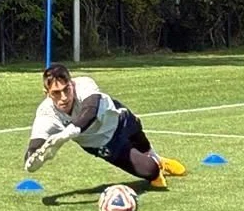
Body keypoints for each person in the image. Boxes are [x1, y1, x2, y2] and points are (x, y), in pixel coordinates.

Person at [23, 63, 186, 188]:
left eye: (67, 89)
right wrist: (32, 161)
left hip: (119, 117)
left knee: (137, 131)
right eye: (56, 93)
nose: (64, 97)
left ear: (72, 84)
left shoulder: (84, 84)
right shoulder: (46, 113)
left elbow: (90, 111)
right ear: (47, 94)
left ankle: (159, 159)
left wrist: (66, 134)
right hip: (105, 144)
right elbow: (36, 145)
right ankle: (156, 167)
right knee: (150, 171)